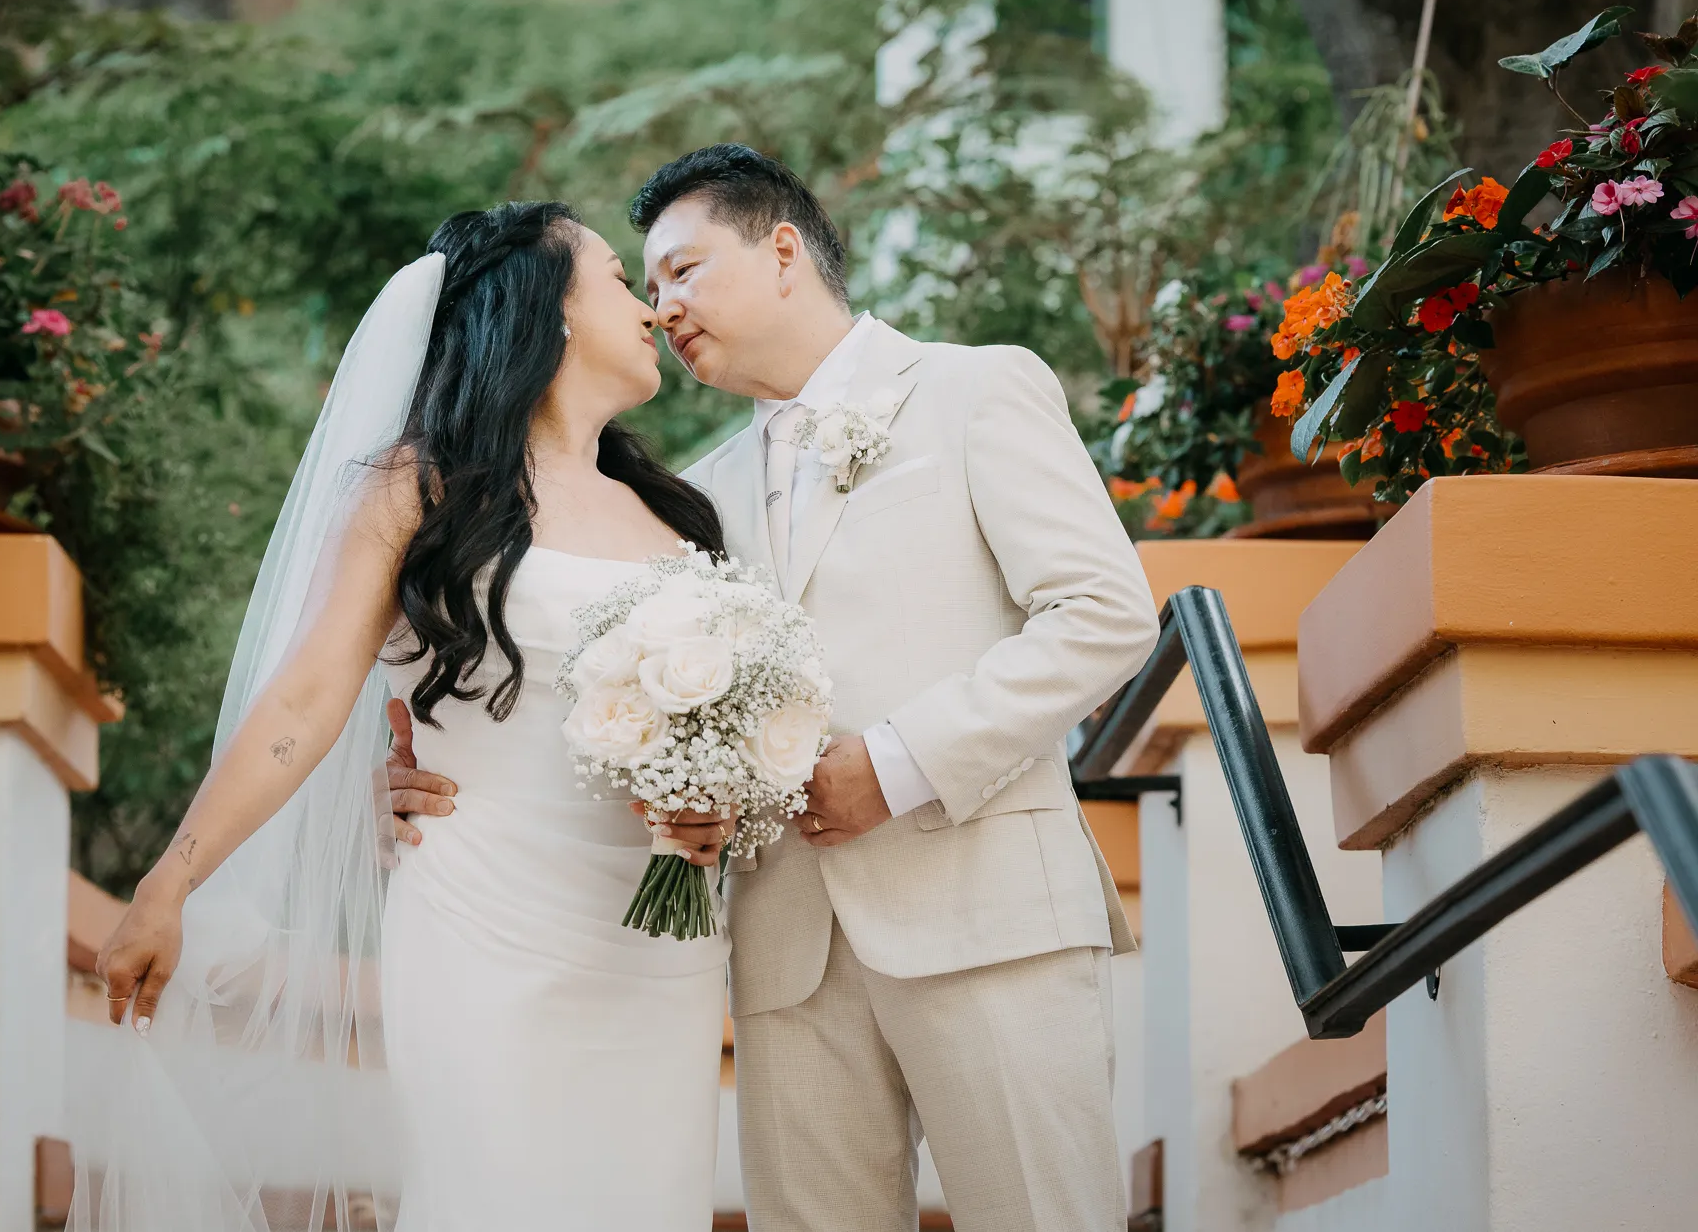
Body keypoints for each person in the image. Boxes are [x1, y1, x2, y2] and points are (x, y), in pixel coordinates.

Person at [390, 145, 1159, 1231]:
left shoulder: (974, 388)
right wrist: (432, 768)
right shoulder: (686, 503)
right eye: (645, 287)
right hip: (780, 949)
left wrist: (892, 768)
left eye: (682, 271)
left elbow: (1103, 613)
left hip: (984, 911)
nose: (660, 310)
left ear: (783, 249)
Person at [87, 202, 732, 1232]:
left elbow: (721, 728)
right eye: (618, 279)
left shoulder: (680, 517)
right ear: (548, 312)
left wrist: (719, 809)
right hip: (486, 922)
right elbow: (305, 695)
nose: (651, 310)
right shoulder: (420, 487)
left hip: (657, 948)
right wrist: (172, 878)